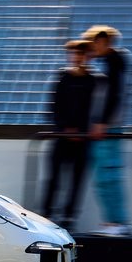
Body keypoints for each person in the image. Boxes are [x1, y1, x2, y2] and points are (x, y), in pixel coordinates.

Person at [81, 25, 132, 236]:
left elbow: (114, 95)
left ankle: (118, 222)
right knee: (103, 178)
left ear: (103, 41)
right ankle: (112, 222)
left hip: (109, 128)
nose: (92, 48)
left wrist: (102, 122)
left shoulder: (115, 63)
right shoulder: (110, 63)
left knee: (108, 177)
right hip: (105, 128)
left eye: (94, 43)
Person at [41, 40, 95, 231]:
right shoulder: (63, 78)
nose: (78, 57)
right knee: (53, 178)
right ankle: (46, 215)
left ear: (87, 56)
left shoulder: (93, 80)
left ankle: (69, 217)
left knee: (76, 182)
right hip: (61, 138)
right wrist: (65, 129)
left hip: (83, 140)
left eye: (81, 54)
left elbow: (94, 110)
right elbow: (54, 107)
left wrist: (82, 131)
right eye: (74, 54)